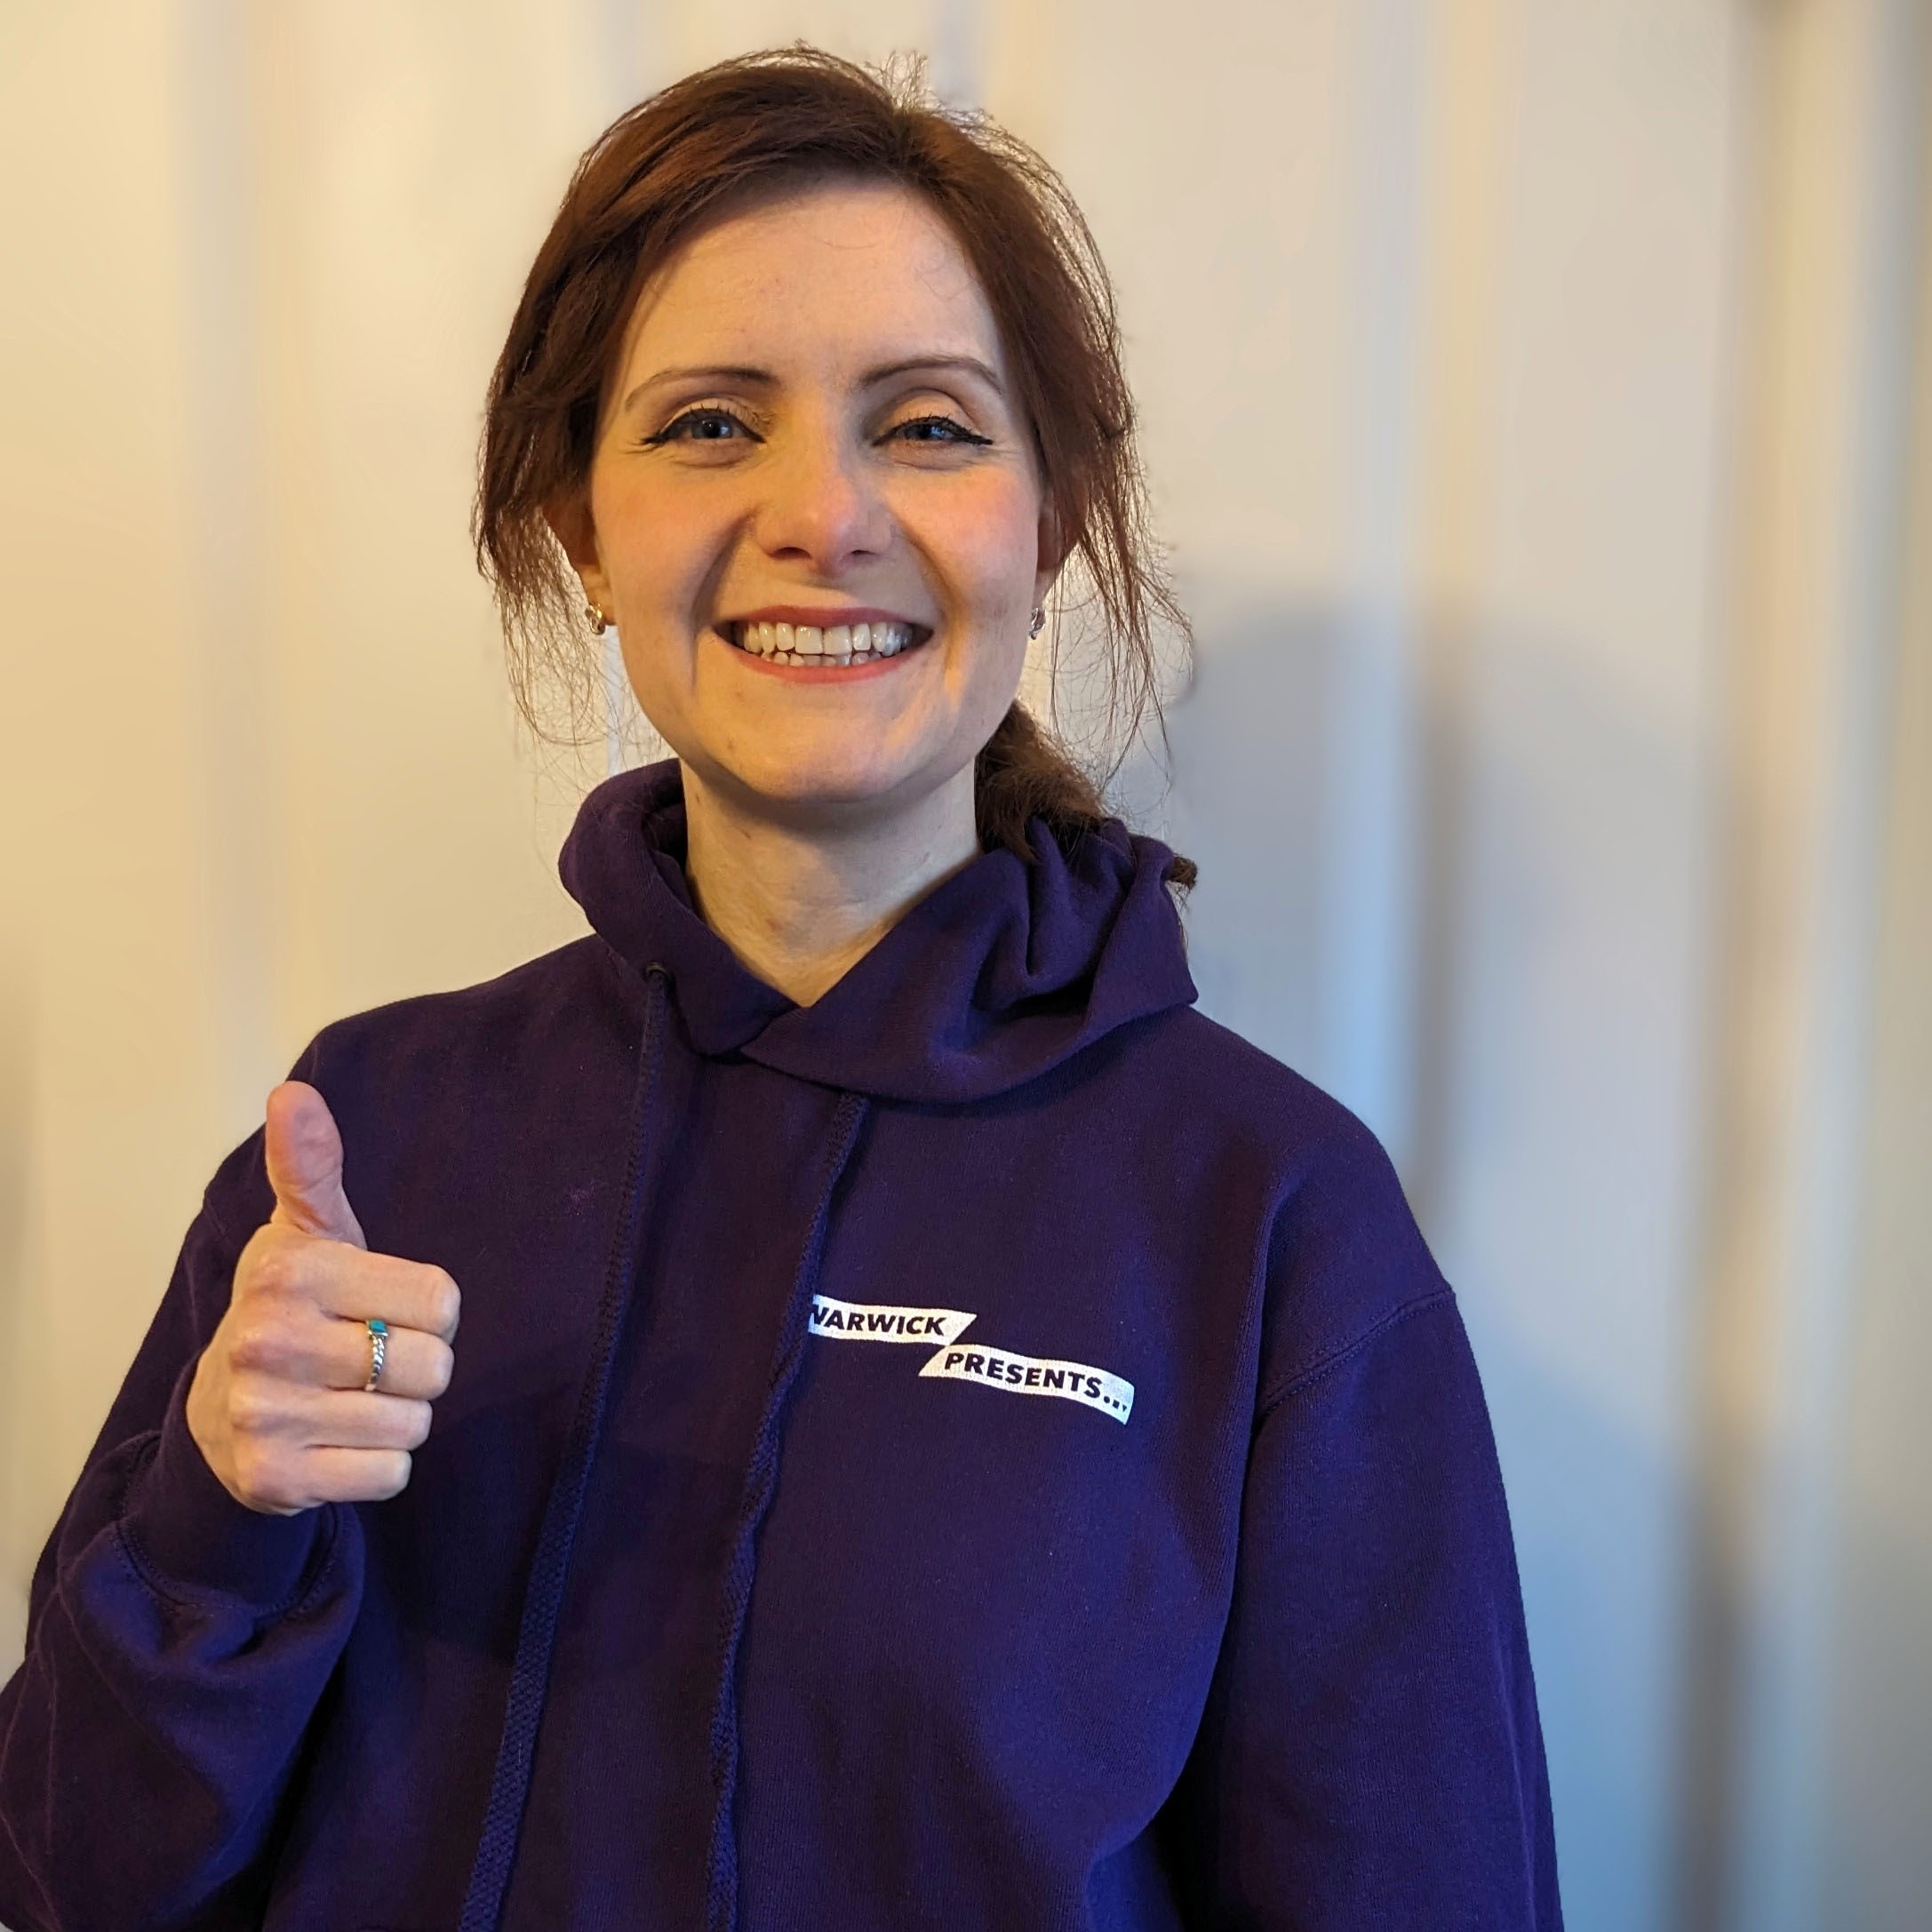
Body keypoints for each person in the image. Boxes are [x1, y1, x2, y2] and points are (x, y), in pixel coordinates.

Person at [0, 46, 1561, 1932]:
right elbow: (69, 1875)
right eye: (712, 425)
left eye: (924, 424)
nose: (823, 512)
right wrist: (219, 1529)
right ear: (579, 529)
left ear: (1046, 523)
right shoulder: (373, 1140)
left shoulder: (1265, 1219)